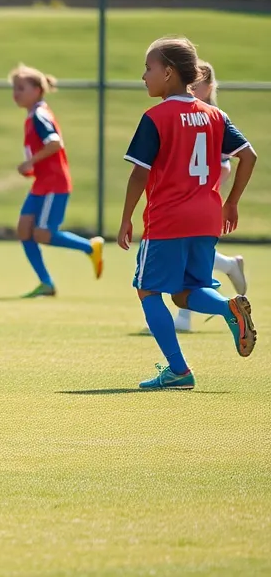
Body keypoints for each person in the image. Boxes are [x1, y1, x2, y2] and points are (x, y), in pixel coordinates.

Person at [118, 37, 258, 390]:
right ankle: (228, 307)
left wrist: (126, 218)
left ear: (168, 73)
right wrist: (232, 202)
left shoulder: (156, 117)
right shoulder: (215, 115)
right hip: (207, 218)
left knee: (148, 290)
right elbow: (249, 156)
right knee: (185, 292)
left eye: (149, 68)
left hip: (168, 219)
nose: (144, 76)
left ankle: (179, 371)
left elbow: (139, 174)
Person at [9, 64, 104, 297]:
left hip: (54, 183)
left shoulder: (40, 115)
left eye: (21, 88)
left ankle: (90, 247)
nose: (16, 93)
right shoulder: (32, 115)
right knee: (24, 230)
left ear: (37, 90)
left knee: (42, 233)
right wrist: (32, 167)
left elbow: (54, 143)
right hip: (42, 182)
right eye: (14, 88)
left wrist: (31, 162)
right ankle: (47, 283)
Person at [171, 61, 249, 332]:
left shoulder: (213, 116)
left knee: (184, 254)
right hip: (187, 196)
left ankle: (185, 317)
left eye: (197, 83)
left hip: (200, 196)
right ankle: (228, 265)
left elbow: (228, 163)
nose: (191, 87)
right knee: (187, 255)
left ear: (210, 86)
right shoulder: (184, 113)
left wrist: (210, 188)